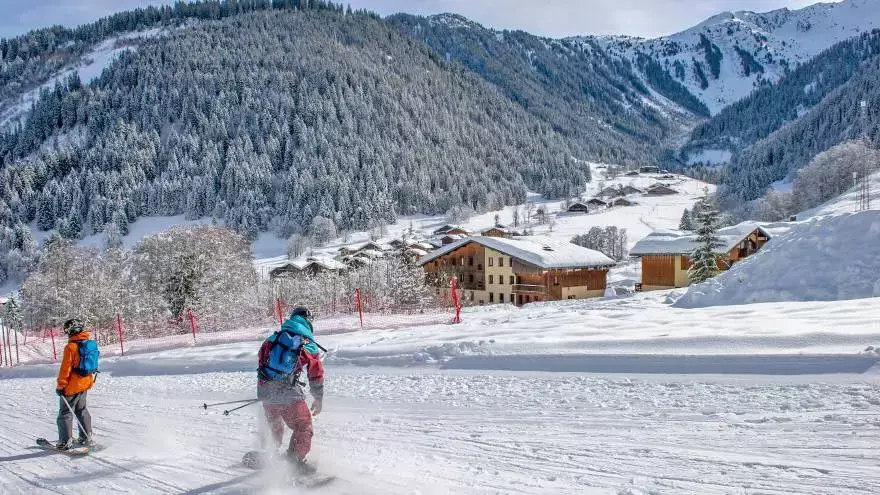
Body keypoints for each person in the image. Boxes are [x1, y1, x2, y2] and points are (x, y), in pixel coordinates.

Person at [257, 306, 324, 474]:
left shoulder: (272, 339)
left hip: (265, 391)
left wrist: (265, 393)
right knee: (303, 426)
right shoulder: (308, 344)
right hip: (289, 395)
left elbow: (261, 365)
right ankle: (293, 464)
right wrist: (318, 397)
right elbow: (315, 373)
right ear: (308, 321)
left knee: (274, 425)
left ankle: (269, 455)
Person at [55, 318, 98, 450]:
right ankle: (86, 437)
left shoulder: (71, 347)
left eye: (67, 330)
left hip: (72, 386)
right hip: (85, 383)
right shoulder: (90, 343)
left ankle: (64, 441)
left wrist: (61, 386)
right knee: (81, 410)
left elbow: (65, 369)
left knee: (65, 413)